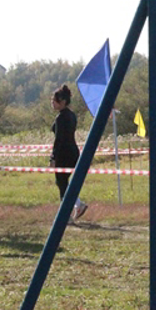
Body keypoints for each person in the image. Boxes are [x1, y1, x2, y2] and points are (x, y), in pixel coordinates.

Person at [50, 84, 87, 221]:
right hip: (74, 152)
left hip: (63, 154)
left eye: (54, 100)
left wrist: (53, 157)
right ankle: (77, 204)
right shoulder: (72, 115)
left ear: (62, 101)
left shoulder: (60, 118)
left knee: (61, 182)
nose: (52, 103)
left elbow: (59, 139)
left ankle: (66, 214)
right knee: (64, 183)